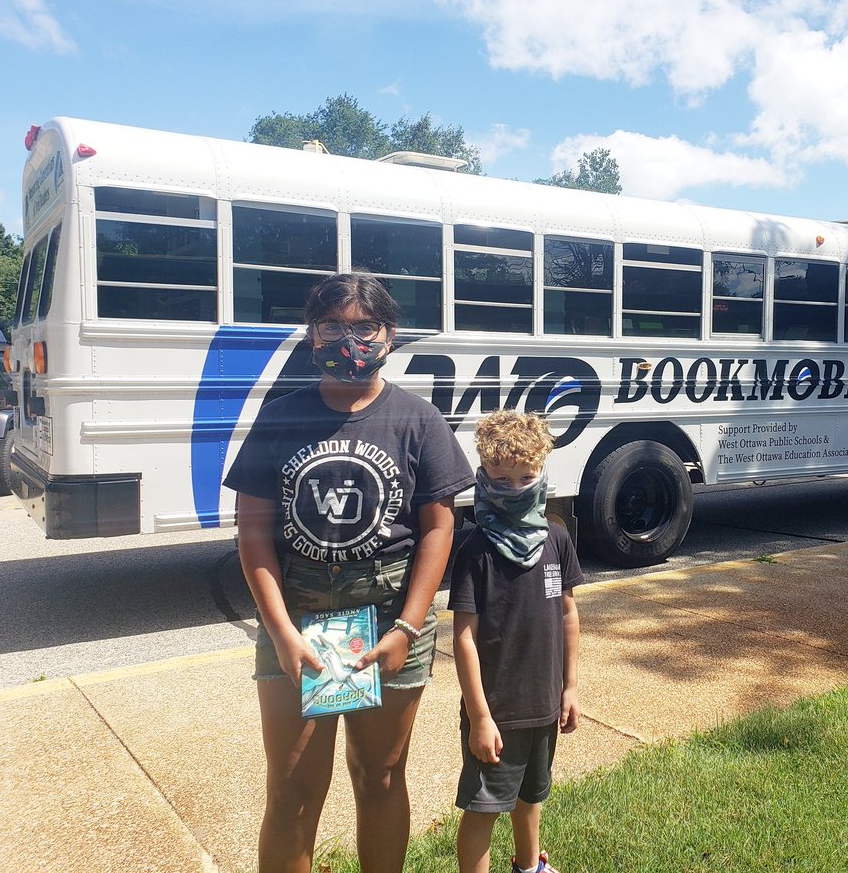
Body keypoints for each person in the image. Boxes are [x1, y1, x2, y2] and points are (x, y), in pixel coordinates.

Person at [224, 273, 474, 873]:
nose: (349, 339)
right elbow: (254, 531)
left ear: (390, 335)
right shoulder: (280, 417)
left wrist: (408, 629)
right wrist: (282, 633)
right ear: (311, 335)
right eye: (333, 325)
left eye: (364, 327)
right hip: (300, 614)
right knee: (291, 789)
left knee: (381, 776)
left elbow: (439, 529)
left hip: (389, 616)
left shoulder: (418, 419)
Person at [448, 409, 583, 873]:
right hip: (497, 711)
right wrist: (480, 717)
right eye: (501, 479)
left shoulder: (557, 538)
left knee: (532, 797)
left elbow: (568, 614)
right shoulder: (474, 549)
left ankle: (530, 866)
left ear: (542, 471)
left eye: (526, 477)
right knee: (484, 808)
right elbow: (463, 638)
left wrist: (570, 688)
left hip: (544, 702)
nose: (514, 488)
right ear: (483, 474)